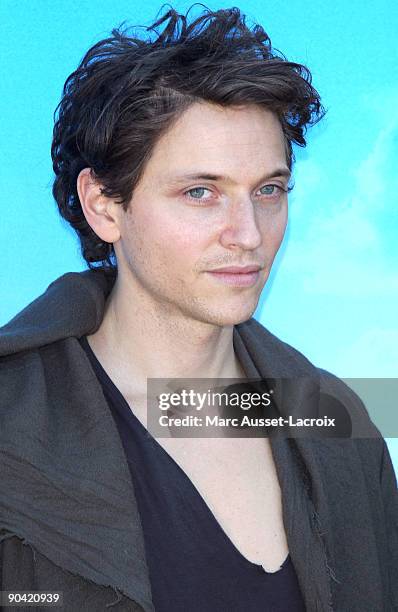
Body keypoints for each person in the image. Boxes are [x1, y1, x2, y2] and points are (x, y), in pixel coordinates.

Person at [0, 6, 397, 612]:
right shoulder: (13, 425)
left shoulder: (333, 419)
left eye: (269, 190)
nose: (248, 234)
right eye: (200, 192)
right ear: (104, 206)